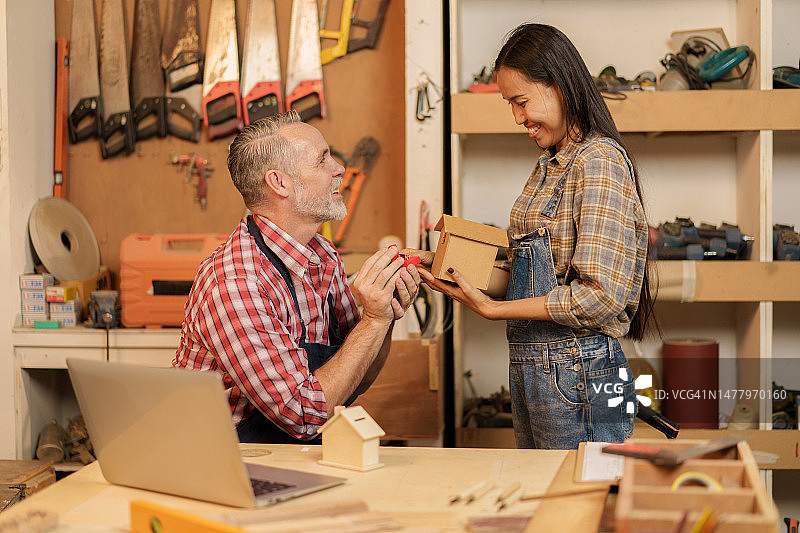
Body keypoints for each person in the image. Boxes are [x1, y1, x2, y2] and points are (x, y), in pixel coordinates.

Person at [408, 24, 656, 449]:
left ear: (558, 85)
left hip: (580, 370)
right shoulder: (549, 165)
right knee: (544, 486)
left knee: (582, 489)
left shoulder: (598, 161)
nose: (517, 117)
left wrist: (494, 311)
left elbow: (600, 297)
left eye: (521, 102)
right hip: (538, 368)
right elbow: (529, 278)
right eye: (510, 104)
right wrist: (449, 268)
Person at [174, 111, 420, 444]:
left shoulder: (323, 255)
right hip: (221, 459)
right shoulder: (236, 283)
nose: (339, 169)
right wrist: (373, 320)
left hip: (291, 455)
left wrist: (385, 315)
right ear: (280, 183)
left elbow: (355, 381)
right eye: (322, 161)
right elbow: (303, 415)